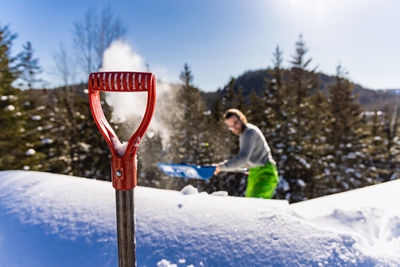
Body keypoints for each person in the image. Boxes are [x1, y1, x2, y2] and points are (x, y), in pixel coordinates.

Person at [214, 109, 279, 199]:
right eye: (230, 126)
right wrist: (222, 167)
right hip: (254, 173)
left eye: (235, 123)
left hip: (265, 173)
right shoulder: (244, 134)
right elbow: (246, 162)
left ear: (242, 119)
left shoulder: (249, 132)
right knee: (249, 204)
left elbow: (243, 158)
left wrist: (221, 167)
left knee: (256, 205)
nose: (234, 127)